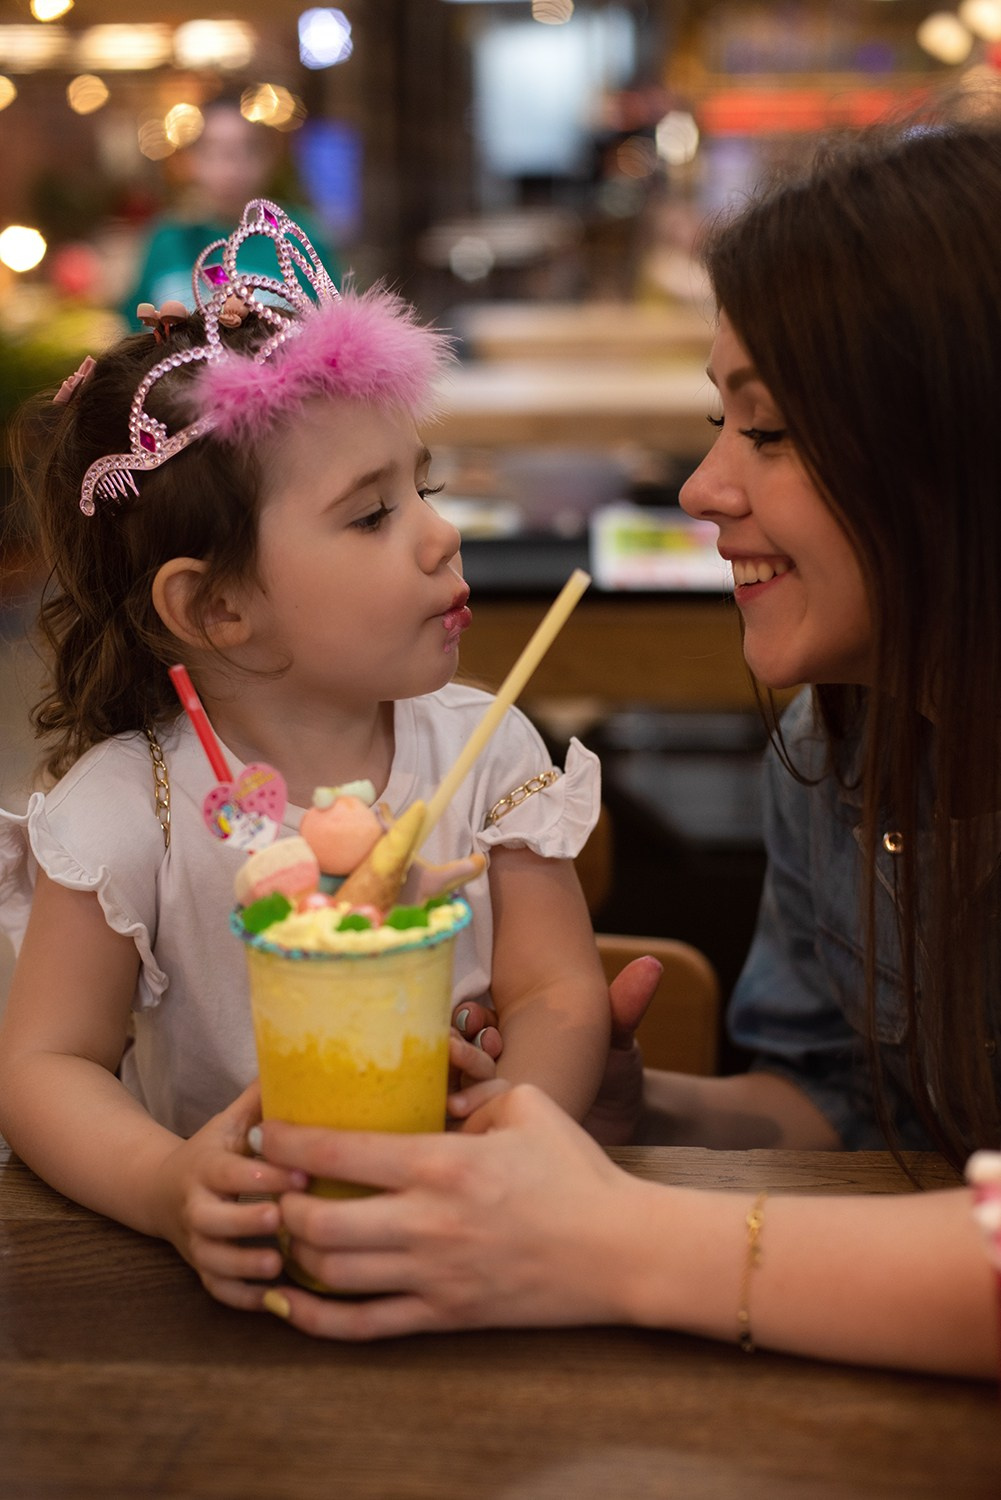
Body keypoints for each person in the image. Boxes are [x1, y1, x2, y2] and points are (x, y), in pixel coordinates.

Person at [241, 118, 1001, 1378]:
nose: (701, 489)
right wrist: (625, 1111)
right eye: (718, 422)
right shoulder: (838, 740)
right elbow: (854, 1113)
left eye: (765, 432)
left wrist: (618, 1242)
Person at [0, 200, 612, 1314]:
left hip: (470, 1253)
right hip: (227, 1293)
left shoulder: (482, 750)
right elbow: (45, 1067)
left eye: (419, 487)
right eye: (371, 515)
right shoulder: (131, 808)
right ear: (216, 607)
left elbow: (556, 986)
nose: (441, 533)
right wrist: (165, 1184)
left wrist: (511, 1127)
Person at [123, 95, 338, 322]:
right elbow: (134, 323)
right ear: (193, 160)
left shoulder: (296, 238)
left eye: (245, 150)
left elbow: (329, 328)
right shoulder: (168, 240)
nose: (230, 167)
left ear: (266, 159)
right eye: (214, 151)